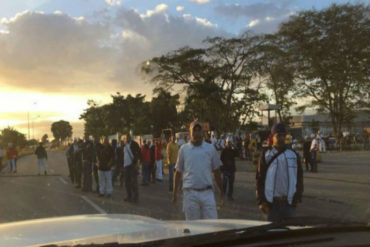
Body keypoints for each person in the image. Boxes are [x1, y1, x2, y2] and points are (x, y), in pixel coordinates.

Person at [173, 120, 224, 220]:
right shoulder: (184, 149)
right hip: (190, 193)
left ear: (203, 132)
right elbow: (178, 172)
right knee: (193, 228)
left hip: (208, 192)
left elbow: (217, 171)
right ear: (190, 133)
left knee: (212, 226)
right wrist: (175, 194)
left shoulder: (210, 149)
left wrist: (221, 191)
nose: (197, 133)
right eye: (194, 131)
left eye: (199, 130)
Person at [256, 123, 304, 223]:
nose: (281, 138)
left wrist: (297, 197)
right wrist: (261, 201)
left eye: (283, 136)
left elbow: (299, 177)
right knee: (272, 234)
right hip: (272, 204)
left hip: (289, 204)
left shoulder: (293, 155)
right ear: (272, 137)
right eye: (278, 136)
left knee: (289, 233)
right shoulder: (266, 155)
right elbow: (260, 179)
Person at [123, 133, 141, 203]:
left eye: (128, 137)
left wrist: (136, 162)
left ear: (130, 138)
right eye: (126, 138)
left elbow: (139, 153)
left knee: (134, 182)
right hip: (126, 166)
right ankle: (129, 196)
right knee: (127, 182)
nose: (127, 139)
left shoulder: (134, 144)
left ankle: (135, 197)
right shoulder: (125, 145)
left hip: (132, 165)